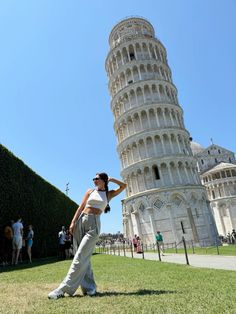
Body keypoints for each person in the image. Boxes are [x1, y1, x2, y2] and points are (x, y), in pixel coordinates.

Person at [48, 173, 126, 299]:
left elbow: (124, 186)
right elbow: (81, 207)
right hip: (81, 221)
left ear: (104, 180)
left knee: (80, 256)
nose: (94, 180)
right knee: (84, 257)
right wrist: (73, 222)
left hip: (93, 225)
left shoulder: (108, 194)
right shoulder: (90, 191)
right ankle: (90, 288)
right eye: (93, 178)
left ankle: (62, 289)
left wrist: (112, 179)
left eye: (97, 178)